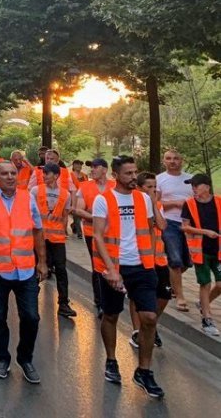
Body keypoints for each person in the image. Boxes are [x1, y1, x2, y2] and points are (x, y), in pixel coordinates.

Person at [92, 156, 163, 398]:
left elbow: (152, 228)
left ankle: (144, 371)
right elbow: (98, 236)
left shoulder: (143, 198)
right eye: (128, 173)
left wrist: (150, 260)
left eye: (135, 172)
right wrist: (111, 269)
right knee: (111, 315)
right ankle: (111, 360)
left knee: (150, 317)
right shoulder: (103, 200)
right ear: (116, 175)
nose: (134, 177)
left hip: (142, 267)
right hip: (114, 267)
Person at [0, 161, 47, 385]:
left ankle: (25, 359)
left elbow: (37, 230)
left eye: (13, 173)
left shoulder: (27, 198)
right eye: (4, 173)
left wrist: (42, 261)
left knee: (31, 317)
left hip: (26, 270)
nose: (10, 177)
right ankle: (2, 359)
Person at [30, 164, 76, 318]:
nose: (44, 176)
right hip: (39, 237)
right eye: (43, 173)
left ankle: (63, 303)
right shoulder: (36, 191)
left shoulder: (65, 194)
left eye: (47, 173)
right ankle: (30, 297)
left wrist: (63, 232)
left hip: (57, 239)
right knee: (36, 266)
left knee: (61, 270)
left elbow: (64, 215)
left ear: (56, 176)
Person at [130, 172, 170, 348]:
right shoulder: (132, 205)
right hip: (140, 258)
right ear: (139, 188)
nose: (153, 190)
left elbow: (161, 225)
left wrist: (153, 204)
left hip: (159, 258)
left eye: (155, 187)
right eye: (149, 187)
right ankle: (137, 331)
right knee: (137, 295)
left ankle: (150, 325)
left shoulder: (156, 205)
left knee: (164, 295)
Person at [181, 173, 221, 336]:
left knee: (219, 285)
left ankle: (203, 303)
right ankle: (207, 318)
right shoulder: (189, 204)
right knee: (204, 283)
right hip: (200, 251)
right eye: (192, 186)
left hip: (217, 250)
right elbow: (185, 227)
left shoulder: (218, 201)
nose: (194, 189)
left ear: (206, 187)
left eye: (196, 186)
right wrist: (205, 232)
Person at [74, 158, 116, 316]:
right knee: (97, 266)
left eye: (95, 167)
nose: (91, 170)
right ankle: (100, 302)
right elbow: (78, 210)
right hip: (92, 233)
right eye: (91, 167)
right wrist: (97, 218)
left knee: (112, 264)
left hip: (113, 233)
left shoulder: (115, 186)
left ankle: (113, 295)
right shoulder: (84, 187)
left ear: (104, 170)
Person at [156, 149, 194, 313]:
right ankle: (180, 296)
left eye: (176, 158)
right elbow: (154, 204)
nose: (172, 161)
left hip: (189, 224)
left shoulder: (190, 179)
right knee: (175, 260)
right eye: (169, 158)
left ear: (181, 160)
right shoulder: (160, 179)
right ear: (164, 161)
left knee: (188, 262)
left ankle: (169, 282)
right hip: (169, 222)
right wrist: (175, 204)